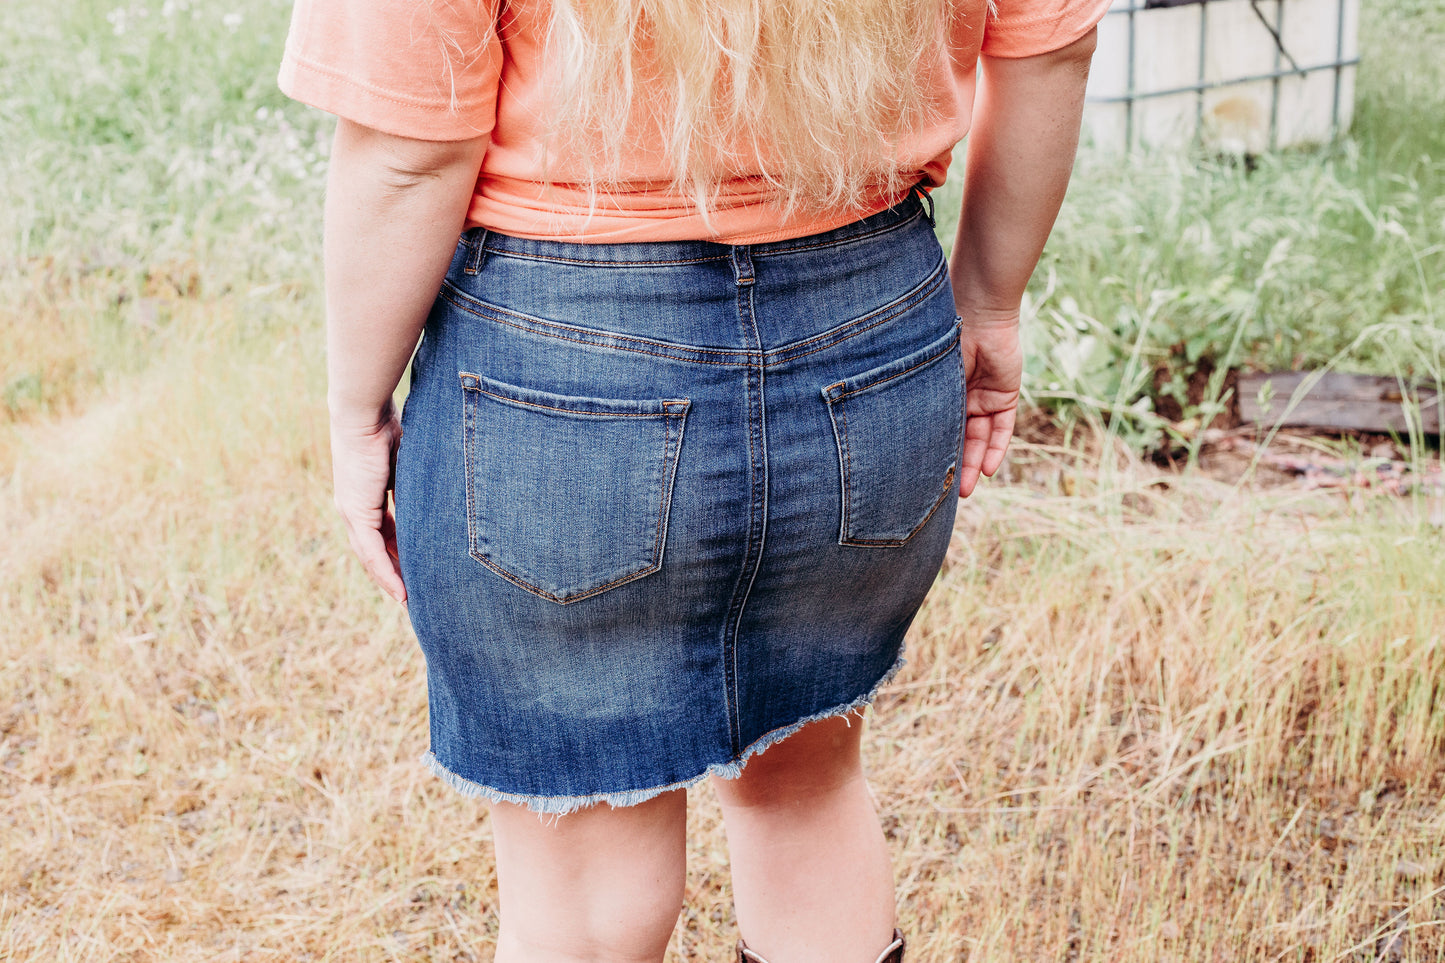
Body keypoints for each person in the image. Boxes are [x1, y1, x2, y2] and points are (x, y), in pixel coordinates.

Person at [279, 0, 1106, 959]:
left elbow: (411, 155)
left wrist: (355, 411)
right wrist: (990, 303)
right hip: (872, 330)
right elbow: (1053, 48)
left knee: (582, 882)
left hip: (566, 366)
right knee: (808, 786)